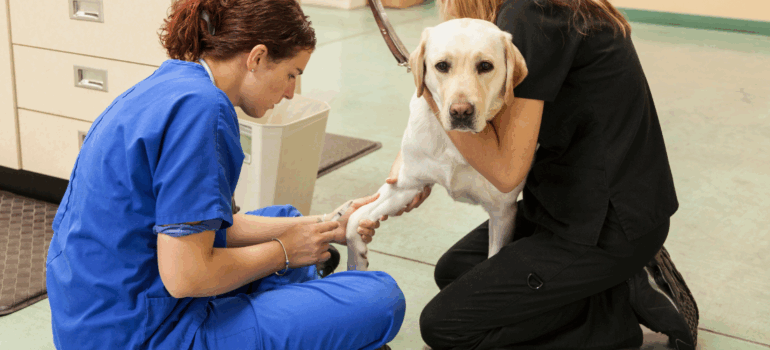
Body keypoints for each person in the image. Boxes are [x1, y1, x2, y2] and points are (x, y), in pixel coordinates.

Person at [45, 0, 405, 349]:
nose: (291, 92)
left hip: (95, 315)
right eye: (291, 74)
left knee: (290, 219)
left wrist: (324, 225)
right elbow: (186, 276)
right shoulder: (205, 110)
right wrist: (284, 252)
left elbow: (205, 227)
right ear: (258, 57)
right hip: (143, 334)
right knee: (381, 298)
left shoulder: (176, 81)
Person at [382, 0, 699, 349]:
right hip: (568, 202)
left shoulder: (529, 17)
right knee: (455, 270)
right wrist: (409, 162)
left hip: (606, 226)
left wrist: (433, 83)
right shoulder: (539, 8)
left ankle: (612, 323)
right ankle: (608, 290)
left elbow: (506, 171)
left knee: (446, 327)